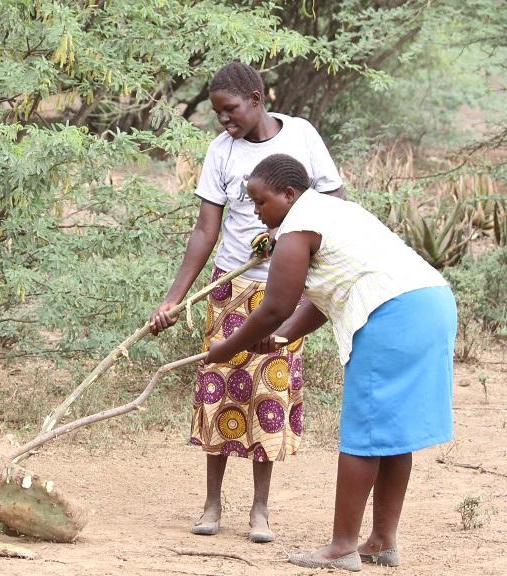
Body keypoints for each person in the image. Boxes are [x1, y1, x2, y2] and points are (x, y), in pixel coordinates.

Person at [205, 153, 455, 571]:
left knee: (364, 433)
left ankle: (342, 547)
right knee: (392, 435)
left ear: (289, 194)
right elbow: (325, 297)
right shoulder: (334, 211)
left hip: (391, 315)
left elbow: (275, 306)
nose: (256, 211)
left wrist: (228, 347)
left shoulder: (298, 227)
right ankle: (381, 541)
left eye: (261, 201)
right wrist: (283, 337)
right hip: (431, 303)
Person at [149, 61, 344, 543]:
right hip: (229, 287)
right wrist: (174, 300)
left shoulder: (301, 136)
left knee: (268, 394)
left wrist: (297, 244)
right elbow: (205, 230)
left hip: (286, 291)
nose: (224, 120)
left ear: (256, 99)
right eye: (217, 112)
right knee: (218, 388)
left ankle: (260, 510)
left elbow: (335, 207)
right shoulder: (221, 150)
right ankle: (212, 504)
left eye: (230, 109)